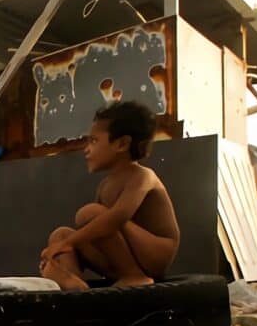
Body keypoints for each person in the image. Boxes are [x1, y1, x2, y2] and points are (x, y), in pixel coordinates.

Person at [39, 101, 180, 291]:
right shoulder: (105, 184)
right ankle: (70, 283)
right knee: (60, 234)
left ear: (122, 144)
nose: (86, 149)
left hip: (154, 254)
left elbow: (118, 217)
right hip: (124, 257)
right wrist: (60, 253)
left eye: (94, 141)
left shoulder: (143, 176)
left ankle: (134, 276)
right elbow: (99, 236)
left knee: (88, 214)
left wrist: (69, 243)